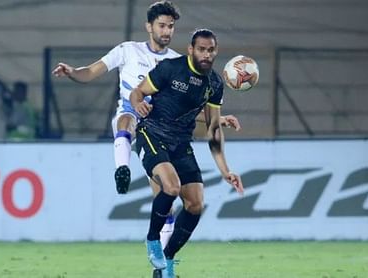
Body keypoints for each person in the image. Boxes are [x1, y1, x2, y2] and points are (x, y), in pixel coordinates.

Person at [51, 1, 240, 251]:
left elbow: (183, 110)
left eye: (171, 26)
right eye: (162, 25)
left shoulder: (179, 62)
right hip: (134, 114)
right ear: (149, 26)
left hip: (162, 126)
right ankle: (122, 169)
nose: (166, 31)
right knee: (126, 119)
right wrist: (73, 71)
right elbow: (93, 71)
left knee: (167, 198)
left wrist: (218, 119)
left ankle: (161, 262)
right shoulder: (128, 50)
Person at [131, 29, 244, 278]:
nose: (206, 54)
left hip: (181, 143)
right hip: (152, 134)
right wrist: (137, 101)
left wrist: (225, 170)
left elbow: (213, 128)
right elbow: (138, 91)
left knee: (194, 204)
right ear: (191, 50)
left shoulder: (214, 84)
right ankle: (152, 241)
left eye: (211, 50)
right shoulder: (170, 68)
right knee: (171, 188)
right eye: (201, 49)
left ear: (216, 51)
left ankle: (168, 260)